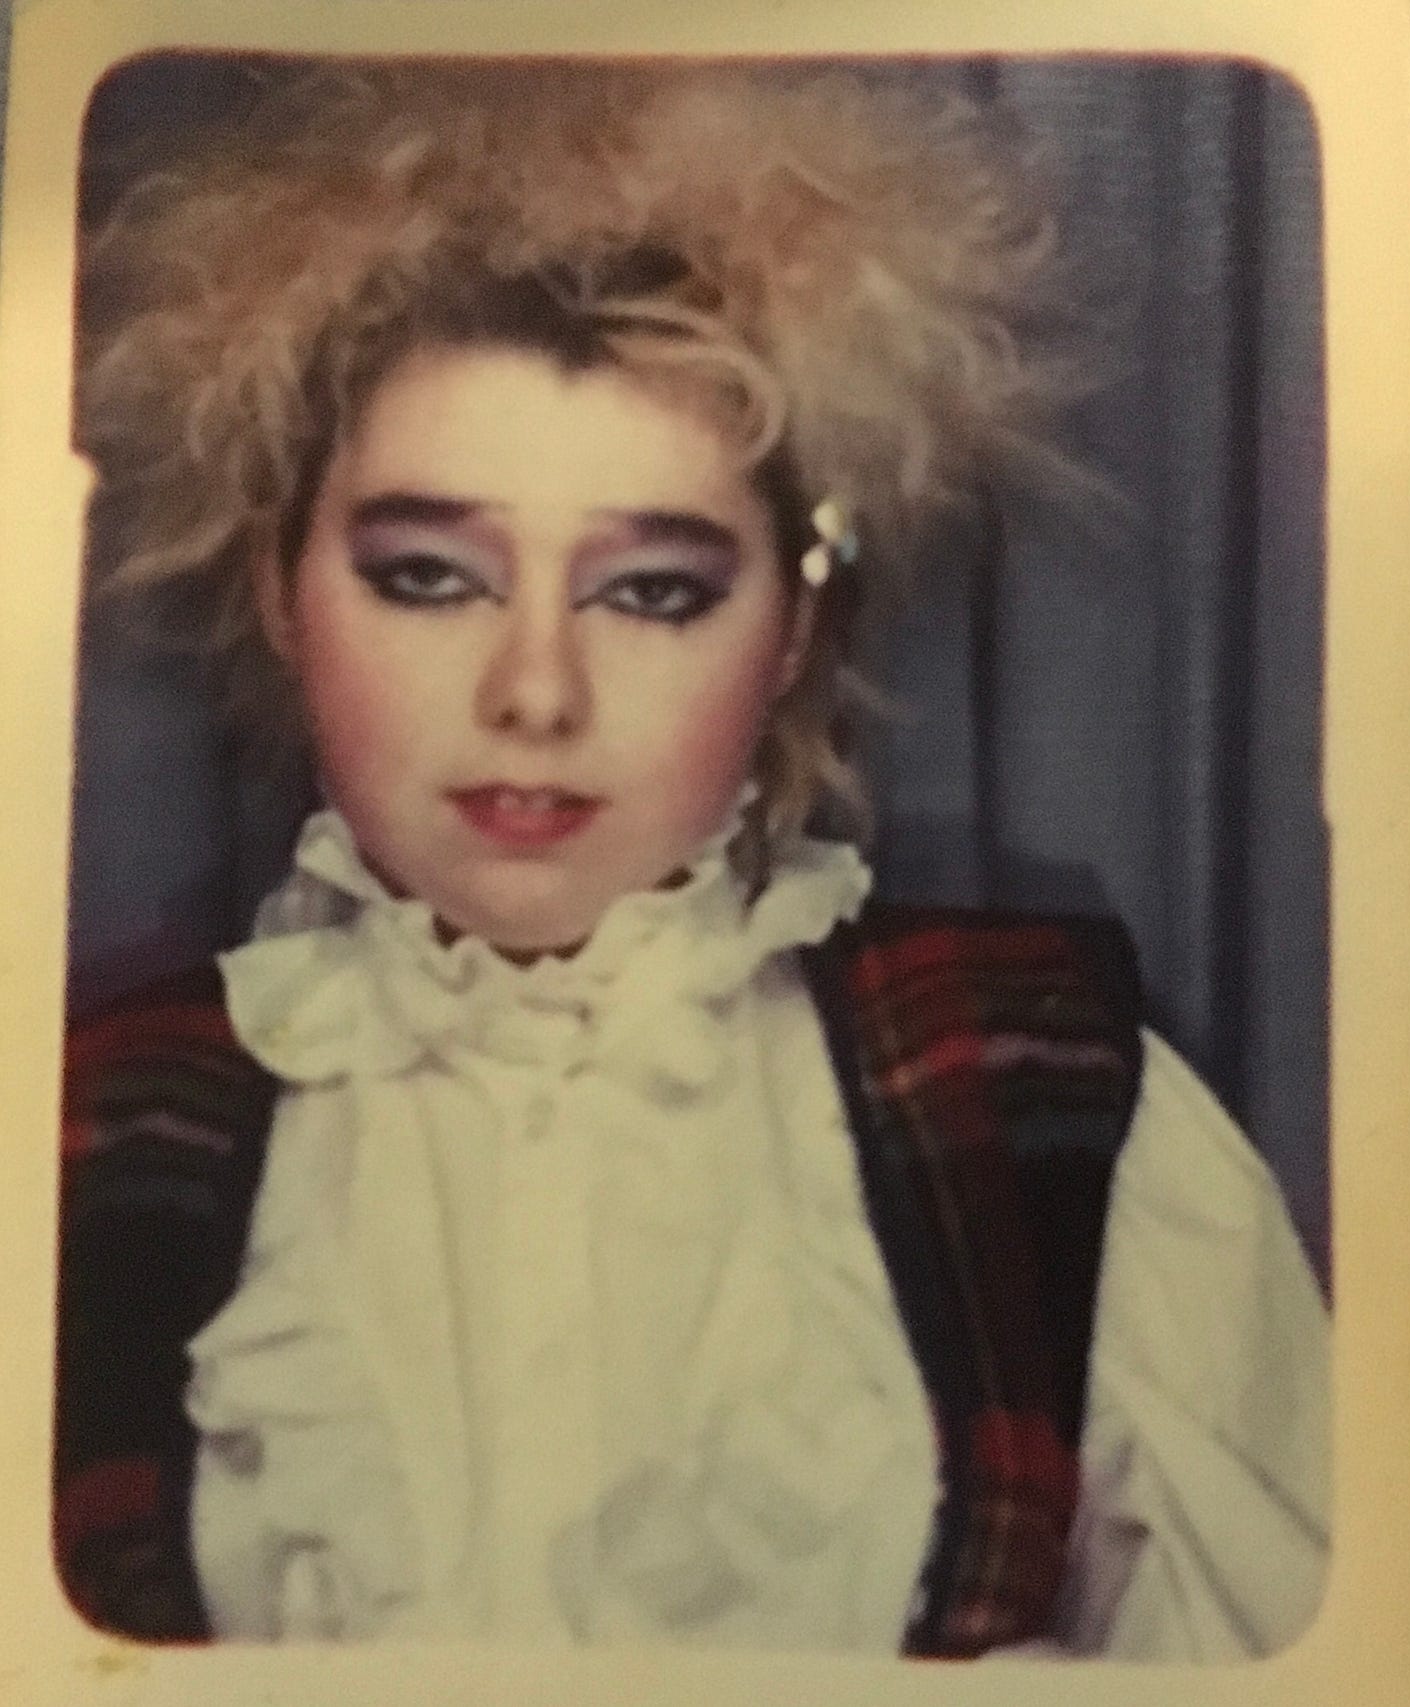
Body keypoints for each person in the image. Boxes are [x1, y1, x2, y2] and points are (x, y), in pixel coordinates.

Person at [56, 57, 1328, 1658]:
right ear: (277, 590)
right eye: (431, 576)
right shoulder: (78, 1138)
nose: (536, 693)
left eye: (652, 591)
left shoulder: (1052, 1102)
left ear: (793, 626)